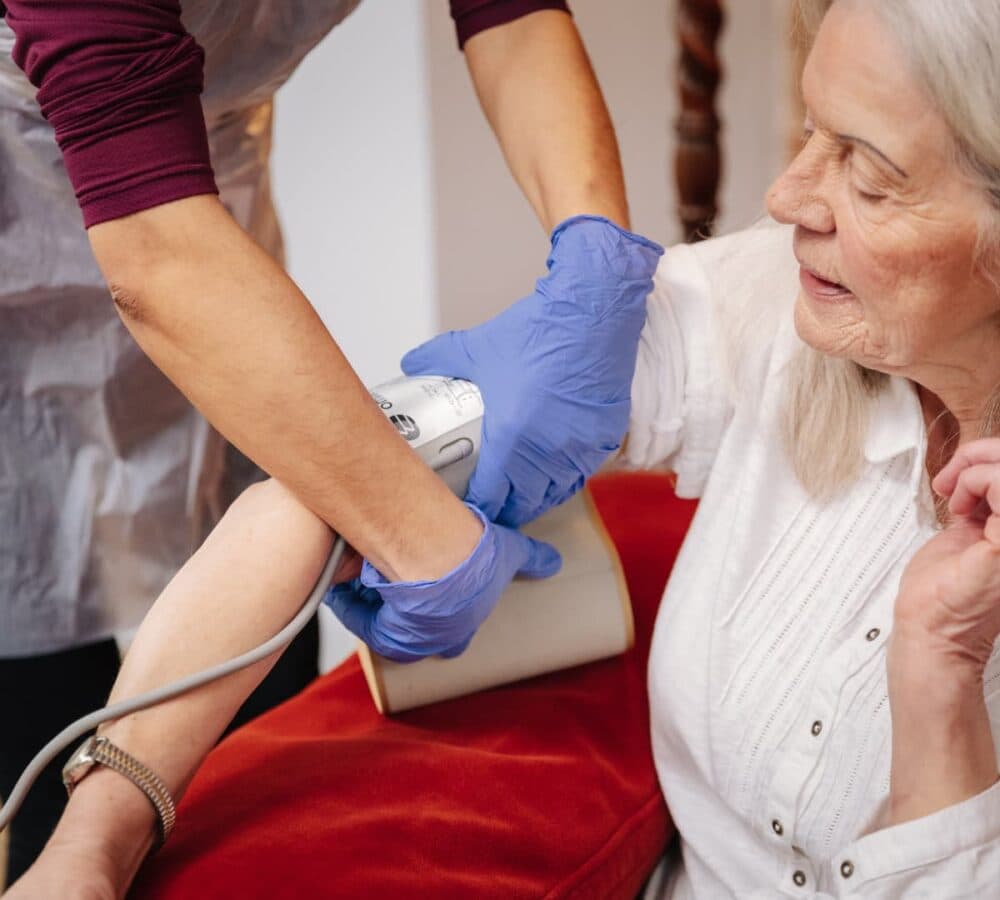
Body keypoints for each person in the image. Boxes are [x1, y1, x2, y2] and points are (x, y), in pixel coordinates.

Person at [9, 0, 1000, 895]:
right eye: (809, 131)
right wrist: (94, 838)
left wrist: (937, 685)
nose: (784, 197)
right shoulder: (766, 306)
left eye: (869, 177)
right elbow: (316, 491)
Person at [0, 0, 664, 884]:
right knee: (37, 623)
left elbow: (511, 13)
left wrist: (595, 252)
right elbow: (160, 260)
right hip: (52, 237)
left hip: (194, 186)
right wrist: (414, 531)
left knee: (269, 647)